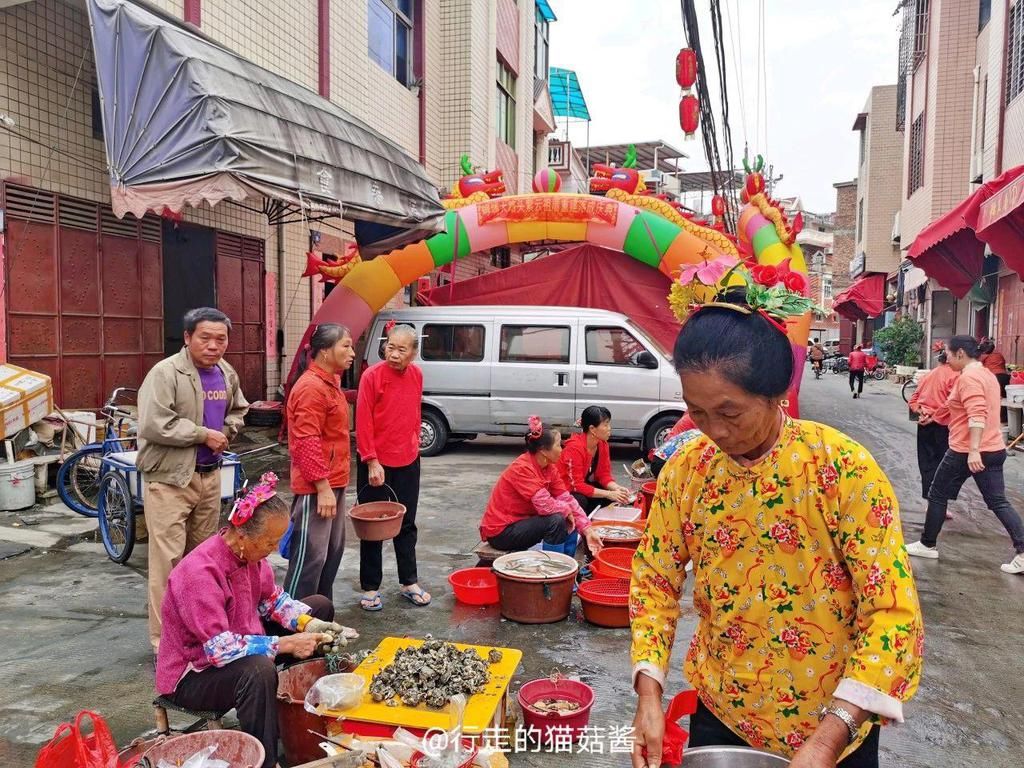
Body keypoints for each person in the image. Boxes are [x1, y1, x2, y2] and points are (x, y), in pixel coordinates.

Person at [631, 268, 923, 768]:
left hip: (836, 722)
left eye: (730, 412)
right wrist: (649, 692)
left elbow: (892, 613)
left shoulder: (840, 468)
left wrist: (830, 739)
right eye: (696, 413)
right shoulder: (687, 469)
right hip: (722, 710)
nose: (714, 430)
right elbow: (655, 579)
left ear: (775, 394)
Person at [156, 473, 357, 768]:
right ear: (241, 536)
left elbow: (274, 600)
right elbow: (220, 650)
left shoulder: (250, 556)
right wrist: (286, 643)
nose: (273, 549)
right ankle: (265, 759)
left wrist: (307, 625)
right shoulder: (199, 574)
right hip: (193, 674)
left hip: (240, 644)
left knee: (319, 607)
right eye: (269, 542)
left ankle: (286, 707)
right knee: (258, 671)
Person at [138, 307, 249, 652]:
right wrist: (203, 434)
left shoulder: (226, 373)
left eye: (221, 338)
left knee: (201, 562)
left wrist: (226, 430)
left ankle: (197, 634)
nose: (214, 345)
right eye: (205, 337)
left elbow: (239, 410)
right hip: (171, 481)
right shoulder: (165, 373)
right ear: (187, 338)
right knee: (167, 563)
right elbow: (154, 423)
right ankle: (164, 644)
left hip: (209, 478)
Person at [906, 336, 1024, 574]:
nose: (946, 359)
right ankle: (1022, 552)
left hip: (965, 450)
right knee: (998, 501)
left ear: (960, 353)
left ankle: (928, 544)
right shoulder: (985, 375)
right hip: (993, 449)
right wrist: (934, 416)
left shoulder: (969, 378)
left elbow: (977, 414)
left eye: (948, 355)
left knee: (937, 493)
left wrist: (972, 451)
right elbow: (952, 405)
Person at [356, 323, 430, 610]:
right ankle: (370, 587)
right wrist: (371, 460)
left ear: (413, 353)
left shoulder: (416, 375)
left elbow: (414, 413)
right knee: (373, 526)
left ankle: (408, 581)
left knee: (407, 524)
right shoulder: (371, 376)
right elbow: (363, 421)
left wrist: (414, 446)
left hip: (409, 459)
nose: (394, 353)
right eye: (390, 346)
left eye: (401, 349)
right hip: (376, 462)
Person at [283, 324, 356, 601]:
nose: (351, 352)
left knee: (331, 553)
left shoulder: (330, 382)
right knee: (309, 559)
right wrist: (322, 487)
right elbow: (305, 441)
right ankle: (291, 624)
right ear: (325, 351)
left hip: (333, 482)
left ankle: (320, 616)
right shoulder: (311, 387)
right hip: (316, 487)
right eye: (346, 346)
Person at [480, 416, 604, 555]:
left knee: (571, 509)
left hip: (523, 522)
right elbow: (545, 505)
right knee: (556, 520)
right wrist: (567, 510)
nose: (562, 449)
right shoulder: (522, 468)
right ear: (544, 450)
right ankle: (556, 568)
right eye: (558, 445)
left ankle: (568, 563)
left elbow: (566, 498)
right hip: (501, 531)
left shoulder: (549, 467)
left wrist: (587, 530)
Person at [558, 405, 631, 515]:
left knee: (612, 496)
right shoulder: (574, 448)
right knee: (580, 500)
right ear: (592, 429)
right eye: (606, 425)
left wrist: (617, 488)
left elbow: (603, 475)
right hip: (565, 490)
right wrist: (608, 493)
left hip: (581, 486)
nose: (609, 428)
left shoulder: (602, 444)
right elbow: (576, 485)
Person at [908, 350, 959, 500]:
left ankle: (931, 500)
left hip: (924, 423)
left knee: (926, 463)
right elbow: (952, 402)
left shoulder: (927, 375)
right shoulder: (956, 376)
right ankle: (939, 502)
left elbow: (913, 399)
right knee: (943, 464)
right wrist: (934, 416)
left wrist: (921, 412)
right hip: (943, 425)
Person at [979, 338, 1010, 422]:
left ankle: (996, 421)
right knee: (1005, 399)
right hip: (1005, 378)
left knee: (994, 399)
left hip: (994, 378)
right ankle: (1005, 419)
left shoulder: (983, 356)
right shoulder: (999, 354)